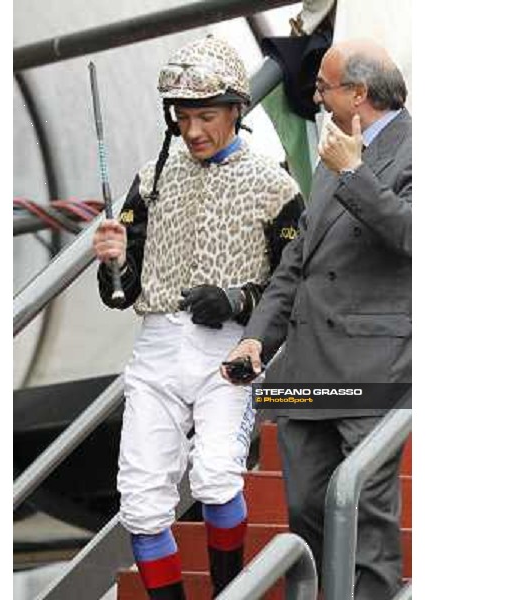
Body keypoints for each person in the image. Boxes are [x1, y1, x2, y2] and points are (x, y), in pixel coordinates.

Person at [93, 36, 304, 600]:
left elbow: (295, 288)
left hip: (230, 352)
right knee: (140, 503)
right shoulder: (151, 178)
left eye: (206, 116)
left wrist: (237, 300)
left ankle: (229, 590)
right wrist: (115, 261)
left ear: (236, 109)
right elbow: (121, 293)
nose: (193, 130)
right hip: (156, 349)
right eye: (183, 117)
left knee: (214, 478)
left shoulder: (274, 185)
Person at [222, 39, 411, 600]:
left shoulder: (417, 147)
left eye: (324, 86)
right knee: (305, 510)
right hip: (307, 367)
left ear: (358, 92)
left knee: (365, 520)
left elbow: (414, 235)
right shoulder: (335, 154)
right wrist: (257, 340)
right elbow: (296, 264)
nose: (315, 95)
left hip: (372, 365)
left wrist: (354, 173)